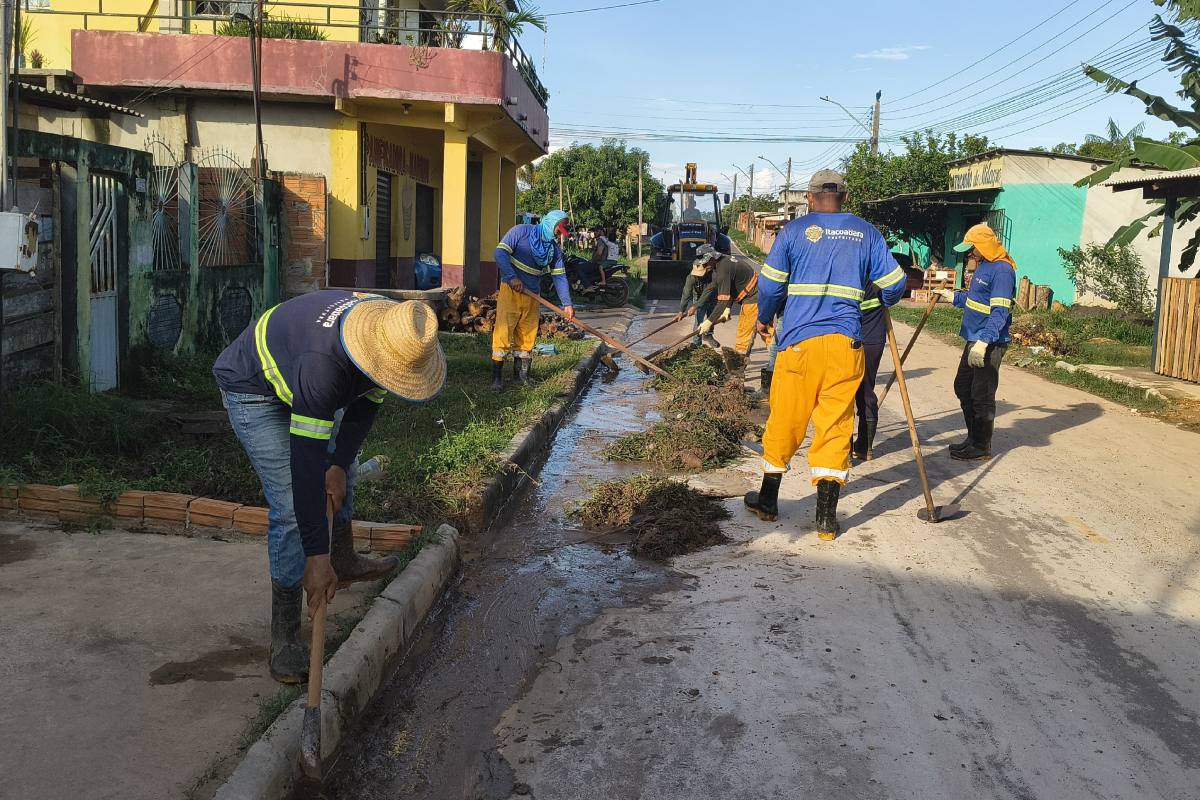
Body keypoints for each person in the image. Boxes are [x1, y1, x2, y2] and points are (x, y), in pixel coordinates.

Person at [213, 292, 447, 684]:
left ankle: (344, 559)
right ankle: (285, 636)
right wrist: (314, 558)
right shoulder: (324, 370)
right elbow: (306, 467)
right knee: (290, 505)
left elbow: (367, 402)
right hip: (253, 387)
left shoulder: (387, 334)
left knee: (344, 466)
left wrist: (339, 464)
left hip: (305, 367)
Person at [744, 169, 907, 539]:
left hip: (799, 344)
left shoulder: (793, 232)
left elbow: (769, 286)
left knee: (786, 419)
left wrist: (765, 319)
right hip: (846, 347)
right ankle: (826, 521)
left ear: (809, 197)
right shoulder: (867, 233)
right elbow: (895, 285)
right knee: (835, 428)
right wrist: (880, 301)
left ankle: (768, 501)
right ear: (845, 198)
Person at [936, 223, 1016, 461]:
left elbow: (1000, 311)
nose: (970, 253)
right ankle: (972, 438)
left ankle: (982, 446)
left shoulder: (1002, 271)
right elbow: (975, 300)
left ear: (984, 246)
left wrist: (984, 343)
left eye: (973, 248)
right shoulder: (983, 267)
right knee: (963, 387)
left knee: (982, 394)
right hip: (974, 338)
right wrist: (953, 297)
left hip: (988, 342)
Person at [492, 210, 575, 391]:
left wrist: (567, 304)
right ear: (550, 224)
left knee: (527, 334)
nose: (558, 235)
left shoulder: (554, 250)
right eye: (558, 231)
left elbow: (560, 277)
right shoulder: (520, 231)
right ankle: (496, 380)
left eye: (561, 232)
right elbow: (500, 253)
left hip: (533, 295)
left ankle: (521, 377)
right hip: (511, 291)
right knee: (504, 332)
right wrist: (512, 276)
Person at [684, 244, 766, 354]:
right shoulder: (722, 263)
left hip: (753, 298)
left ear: (712, 258)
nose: (704, 266)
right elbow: (718, 288)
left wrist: (709, 322)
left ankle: (737, 368)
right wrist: (727, 308)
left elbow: (722, 301)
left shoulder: (723, 270)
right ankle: (775, 365)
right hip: (761, 294)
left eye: (705, 263)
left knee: (744, 334)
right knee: (767, 331)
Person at [850, 283, 887, 461]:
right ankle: (865, 448)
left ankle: (844, 450)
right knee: (866, 390)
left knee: (843, 393)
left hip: (848, 338)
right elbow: (896, 288)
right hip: (874, 339)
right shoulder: (878, 272)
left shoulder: (849, 269)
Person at [674, 250, 720, 349]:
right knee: (699, 321)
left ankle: (708, 335)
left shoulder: (713, 275)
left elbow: (708, 293)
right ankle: (696, 343)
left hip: (712, 296)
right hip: (698, 297)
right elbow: (686, 294)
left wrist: (695, 306)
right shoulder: (691, 277)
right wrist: (681, 311)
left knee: (711, 318)